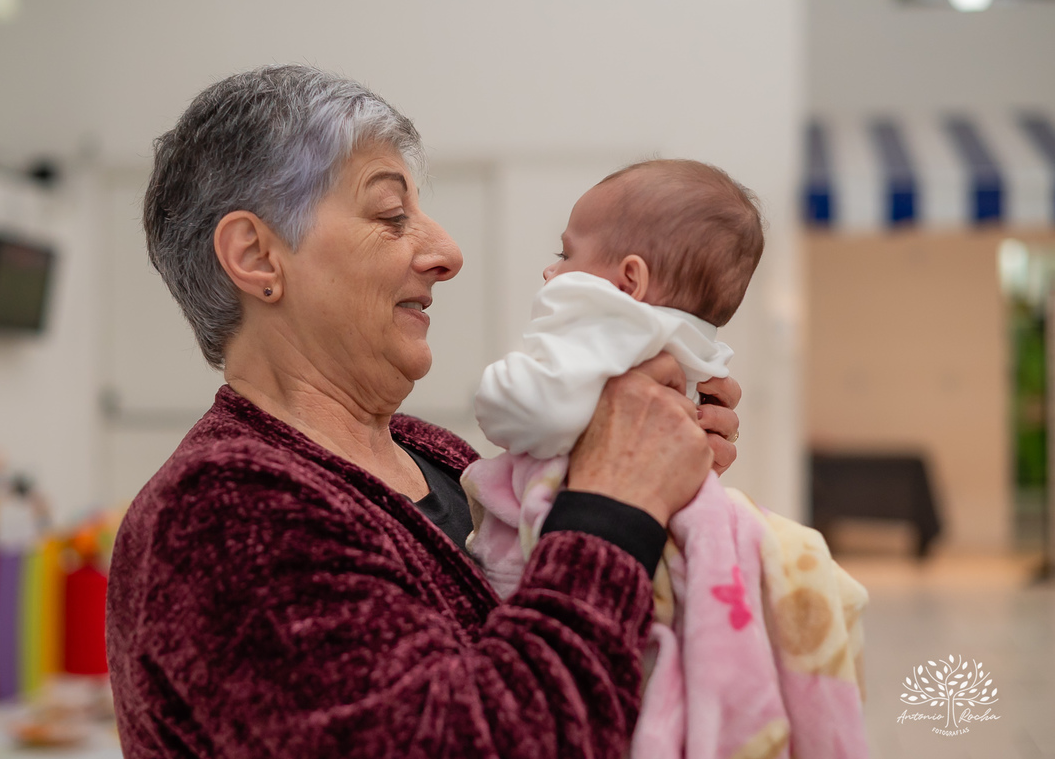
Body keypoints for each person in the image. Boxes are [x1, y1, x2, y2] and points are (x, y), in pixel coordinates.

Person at [104, 65, 741, 759]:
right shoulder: (222, 510)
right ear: (257, 256)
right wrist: (616, 504)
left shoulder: (434, 453)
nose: (447, 253)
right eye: (390, 215)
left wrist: (661, 486)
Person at [464, 159, 763, 593]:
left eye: (566, 255)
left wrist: (499, 387)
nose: (550, 272)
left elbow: (538, 413)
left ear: (628, 282)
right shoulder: (701, 350)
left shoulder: (607, 327)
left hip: (547, 553)